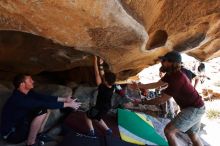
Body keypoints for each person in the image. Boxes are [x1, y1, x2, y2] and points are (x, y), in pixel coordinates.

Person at [131, 51, 205, 146]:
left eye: (164, 60)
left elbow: (161, 100)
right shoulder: (171, 74)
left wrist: (142, 102)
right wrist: (139, 86)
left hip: (193, 109)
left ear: (172, 63)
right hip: (197, 107)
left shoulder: (177, 79)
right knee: (193, 135)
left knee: (169, 131)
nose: (162, 62)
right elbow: (156, 84)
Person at [0, 74, 81, 146]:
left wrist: (65, 99)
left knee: (45, 109)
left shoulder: (27, 92)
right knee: (41, 110)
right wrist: (69, 105)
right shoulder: (18, 99)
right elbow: (43, 104)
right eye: (30, 80)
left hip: (20, 124)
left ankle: (39, 135)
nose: (33, 81)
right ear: (22, 84)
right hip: (12, 134)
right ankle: (31, 143)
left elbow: (44, 98)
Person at [85, 56, 116, 136]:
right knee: (98, 118)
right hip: (107, 107)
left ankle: (91, 131)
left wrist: (95, 60)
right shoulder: (112, 86)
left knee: (87, 115)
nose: (103, 78)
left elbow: (97, 74)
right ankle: (108, 130)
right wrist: (101, 64)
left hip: (98, 108)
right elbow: (102, 76)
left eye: (104, 79)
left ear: (105, 81)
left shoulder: (102, 87)